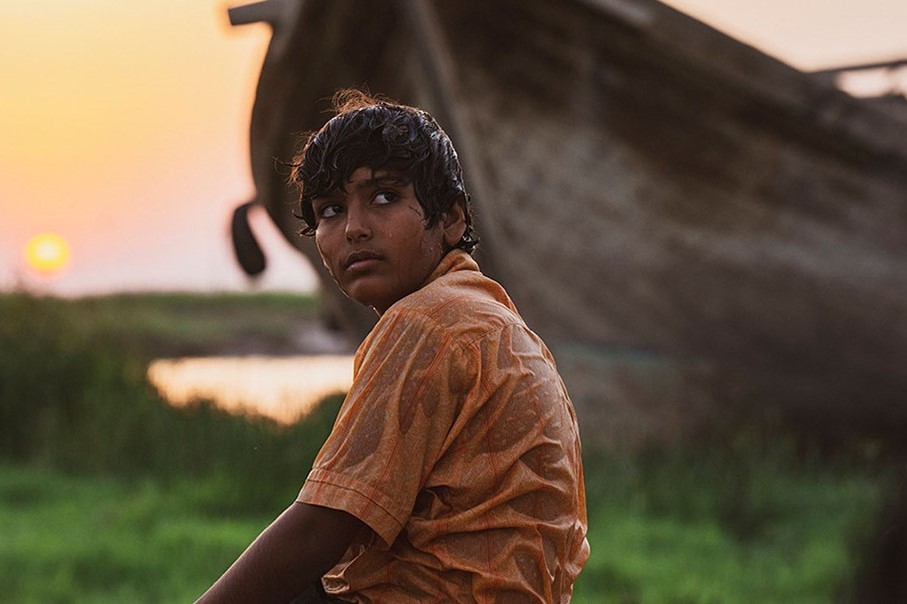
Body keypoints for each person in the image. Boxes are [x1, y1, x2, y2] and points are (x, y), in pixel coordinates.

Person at [196, 90, 589, 603]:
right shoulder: (498, 323)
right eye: (331, 210)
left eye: (383, 197)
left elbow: (322, 526)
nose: (354, 229)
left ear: (451, 219)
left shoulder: (427, 323)